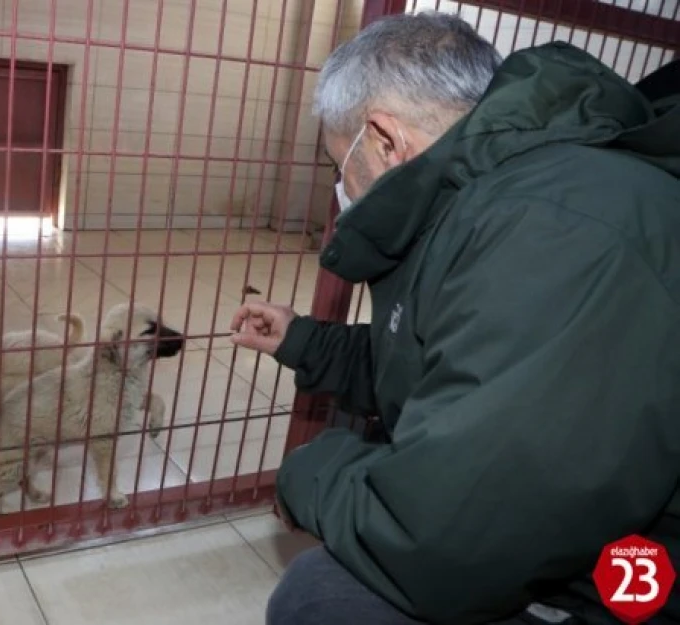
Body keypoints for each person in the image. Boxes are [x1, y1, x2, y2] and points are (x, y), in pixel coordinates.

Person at [228, 12, 680, 625]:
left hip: (635, 590)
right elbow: (439, 362)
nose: (343, 185)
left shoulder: (553, 227)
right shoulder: (488, 201)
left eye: (342, 163)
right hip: (589, 554)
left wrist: (310, 472)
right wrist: (302, 340)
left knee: (324, 599)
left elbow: (439, 536)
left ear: (384, 139)